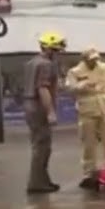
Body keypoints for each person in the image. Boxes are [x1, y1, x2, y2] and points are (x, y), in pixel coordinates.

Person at [65, 47, 105, 188]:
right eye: (91, 59)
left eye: (96, 59)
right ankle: (89, 173)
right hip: (87, 110)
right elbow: (70, 87)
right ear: (84, 59)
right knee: (89, 144)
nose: (94, 62)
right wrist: (82, 85)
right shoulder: (75, 72)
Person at [23, 32, 68, 194]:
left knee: (39, 145)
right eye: (57, 50)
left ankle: (43, 180)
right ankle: (36, 183)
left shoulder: (32, 62)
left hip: (30, 105)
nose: (59, 53)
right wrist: (50, 112)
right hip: (38, 106)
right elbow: (42, 88)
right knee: (42, 146)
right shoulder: (45, 65)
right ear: (49, 48)